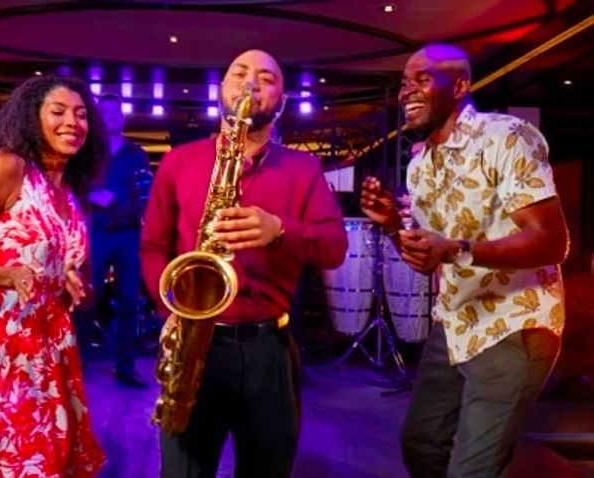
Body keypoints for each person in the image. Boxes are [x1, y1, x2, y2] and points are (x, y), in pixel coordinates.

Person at [361, 43, 568, 477]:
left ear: (459, 85)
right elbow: (425, 257)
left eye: (422, 79)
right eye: (403, 83)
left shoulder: (506, 137)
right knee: (419, 444)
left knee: (472, 471)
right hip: (454, 323)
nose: (407, 91)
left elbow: (552, 242)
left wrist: (457, 249)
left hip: (512, 328)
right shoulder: (420, 165)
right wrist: (392, 227)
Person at [141, 49, 348, 478]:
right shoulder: (180, 161)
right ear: (221, 90)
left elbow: (334, 247)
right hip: (193, 339)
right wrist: (175, 312)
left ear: (283, 101)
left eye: (266, 78)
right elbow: (152, 247)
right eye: (239, 73)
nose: (250, 83)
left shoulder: (304, 168)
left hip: (268, 349)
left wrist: (281, 230)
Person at [0, 75, 106, 476]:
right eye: (58, 112)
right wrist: (4, 275)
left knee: (54, 464)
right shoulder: (7, 168)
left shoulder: (73, 193)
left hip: (51, 351)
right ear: (32, 118)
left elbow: (85, 286)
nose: (72, 123)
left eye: (81, 115)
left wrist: (76, 284)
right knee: (26, 466)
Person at [75, 93, 151, 388]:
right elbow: (69, 185)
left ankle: (126, 367)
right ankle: (78, 363)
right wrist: (91, 195)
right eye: (106, 112)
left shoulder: (136, 152)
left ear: (123, 117)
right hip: (97, 232)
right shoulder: (87, 152)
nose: (113, 116)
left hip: (130, 235)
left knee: (130, 302)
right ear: (98, 117)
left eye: (117, 112)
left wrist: (149, 226)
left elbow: (147, 191)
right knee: (86, 299)